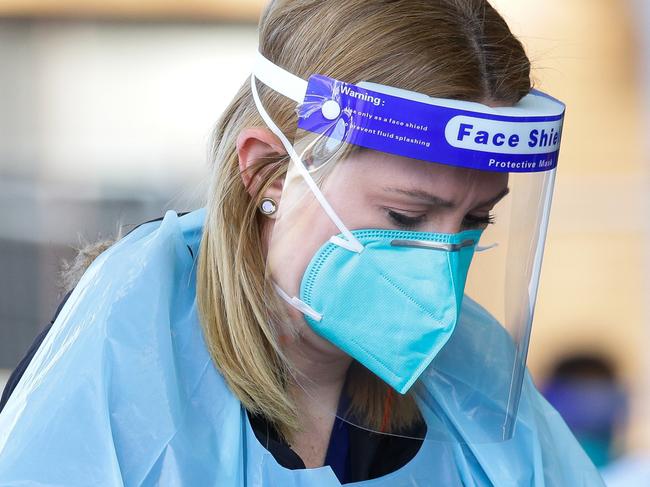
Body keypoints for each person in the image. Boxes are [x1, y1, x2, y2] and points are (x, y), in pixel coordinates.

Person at [0, 0, 605, 485]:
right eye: (404, 215)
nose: (442, 266)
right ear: (267, 172)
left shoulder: (470, 377)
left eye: (477, 220)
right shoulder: (128, 356)